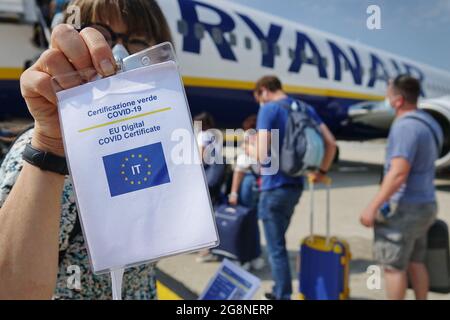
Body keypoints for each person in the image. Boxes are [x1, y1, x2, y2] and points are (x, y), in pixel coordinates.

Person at [0, 0, 172, 299]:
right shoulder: (46, 151)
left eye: (139, 41)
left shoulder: (153, 148)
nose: (118, 54)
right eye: (100, 35)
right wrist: (50, 145)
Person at [252, 76, 337, 300]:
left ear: (263, 91)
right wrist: (321, 172)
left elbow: (262, 156)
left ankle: (283, 295)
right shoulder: (305, 108)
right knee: (278, 242)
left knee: (275, 248)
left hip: (273, 188)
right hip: (295, 187)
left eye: (258, 98)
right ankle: (281, 290)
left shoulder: (269, 109)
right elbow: (331, 142)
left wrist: (251, 151)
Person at [360, 75, 444, 300]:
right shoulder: (430, 124)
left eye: (388, 94)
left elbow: (398, 173)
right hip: (425, 204)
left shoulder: (405, 127)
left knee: (393, 267)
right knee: (416, 262)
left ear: (398, 100)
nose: (386, 98)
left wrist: (373, 207)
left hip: (403, 209)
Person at [228, 115, 264, 271]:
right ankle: (255, 256)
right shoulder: (265, 141)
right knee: (253, 221)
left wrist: (234, 192)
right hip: (259, 182)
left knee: (244, 222)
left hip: (248, 182)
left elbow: (240, 169)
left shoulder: (249, 141)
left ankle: (244, 258)